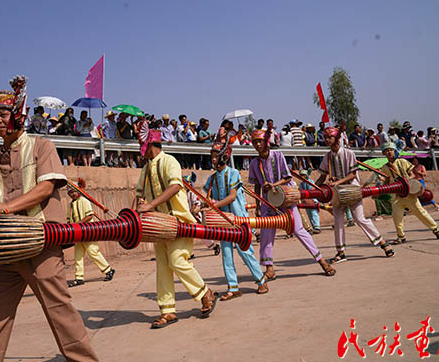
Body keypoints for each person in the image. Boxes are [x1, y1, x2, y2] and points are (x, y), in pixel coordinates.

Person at [0, 77, 103, 362]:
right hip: (1, 250)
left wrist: (5, 208)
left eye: (2, 115)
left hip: (40, 243)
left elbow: (46, 188)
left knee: (57, 307)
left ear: (18, 116)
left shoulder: (42, 145)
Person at [135, 120, 217, 328]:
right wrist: (137, 212)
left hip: (178, 222)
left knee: (177, 261)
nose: (138, 147)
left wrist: (151, 204)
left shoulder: (169, 161)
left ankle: (205, 292)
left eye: (140, 143)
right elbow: (139, 197)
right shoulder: (145, 170)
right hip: (157, 226)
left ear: (150, 143)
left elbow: (174, 187)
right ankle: (168, 310)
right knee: (163, 267)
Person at [249, 129, 336, 277]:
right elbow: (257, 185)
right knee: (266, 234)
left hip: (286, 198)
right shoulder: (254, 163)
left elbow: (287, 178)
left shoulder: (277, 155)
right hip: (268, 202)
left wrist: (274, 185)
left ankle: (322, 261)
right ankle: (269, 268)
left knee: (299, 230)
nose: (257, 144)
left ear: (266, 142)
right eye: (255, 142)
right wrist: (257, 205)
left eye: (260, 141)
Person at [315, 127, 394, 263]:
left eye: (329, 137)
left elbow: (352, 174)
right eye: (325, 137)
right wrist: (315, 189)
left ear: (337, 139)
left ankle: (383, 243)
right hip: (337, 193)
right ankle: (340, 252)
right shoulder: (327, 156)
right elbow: (322, 176)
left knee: (360, 218)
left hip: (352, 189)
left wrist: (338, 182)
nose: (327, 140)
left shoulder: (349, 153)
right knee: (338, 221)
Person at [204, 139, 269, 299]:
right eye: (211, 156)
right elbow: (206, 197)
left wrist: (213, 206)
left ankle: (261, 281)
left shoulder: (234, 173)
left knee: (244, 251)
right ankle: (233, 288)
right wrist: (200, 206)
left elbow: (232, 197)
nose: (213, 159)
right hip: (222, 222)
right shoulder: (212, 179)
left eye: (215, 156)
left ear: (224, 157)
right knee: (226, 254)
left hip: (238, 221)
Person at [379, 143, 439, 243]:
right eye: (386, 151)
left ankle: (436, 230)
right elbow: (386, 182)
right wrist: (383, 184)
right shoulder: (385, 167)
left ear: (394, 151)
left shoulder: (402, 162)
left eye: (390, 150)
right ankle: (401, 237)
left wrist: (406, 182)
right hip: (397, 195)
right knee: (397, 217)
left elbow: (412, 174)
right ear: (384, 153)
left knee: (421, 212)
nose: (389, 152)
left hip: (409, 193)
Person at [66, 179, 115, 287]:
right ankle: (79, 277)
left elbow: (90, 216)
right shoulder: (69, 205)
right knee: (78, 256)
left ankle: (108, 270)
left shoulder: (84, 201)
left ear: (80, 190)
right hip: (77, 234)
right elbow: (68, 220)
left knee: (93, 251)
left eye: (74, 191)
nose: (73, 194)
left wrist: (78, 224)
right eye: (70, 193)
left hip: (88, 231)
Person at [298, 169, 321, 233]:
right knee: (309, 214)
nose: (302, 177)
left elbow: (312, 192)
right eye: (301, 175)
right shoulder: (301, 184)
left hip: (313, 200)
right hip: (306, 201)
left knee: (314, 213)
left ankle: (317, 227)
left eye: (303, 175)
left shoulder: (310, 182)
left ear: (306, 175)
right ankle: (314, 227)